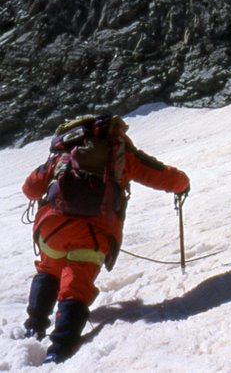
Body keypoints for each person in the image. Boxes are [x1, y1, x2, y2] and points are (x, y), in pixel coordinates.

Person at [21, 114, 190, 363]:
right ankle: (59, 350)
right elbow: (159, 173)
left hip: (52, 226)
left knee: (49, 270)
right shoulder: (119, 150)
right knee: (76, 284)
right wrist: (182, 185)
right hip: (93, 230)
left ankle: (34, 326)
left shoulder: (63, 151)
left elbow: (30, 188)